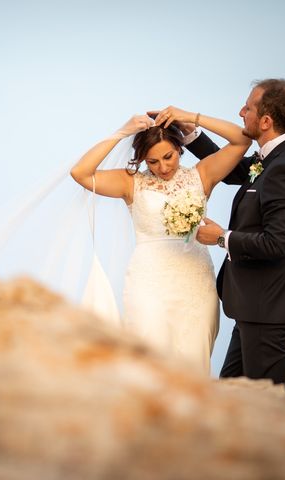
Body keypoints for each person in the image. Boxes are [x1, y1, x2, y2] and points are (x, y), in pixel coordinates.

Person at [70, 110, 251, 374]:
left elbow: (242, 140)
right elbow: (80, 172)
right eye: (153, 161)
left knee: (193, 366)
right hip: (148, 285)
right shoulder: (131, 183)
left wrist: (191, 117)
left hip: (195, 285)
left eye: (169, 156)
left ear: (180, 148)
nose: (163, 168)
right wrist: (122, 131)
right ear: (143, 160)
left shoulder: (202, 174)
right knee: (148, 365)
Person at [166, 79, 285, 388]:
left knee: (263, 405)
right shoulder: (274, 156)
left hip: (270, 308)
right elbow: (235, 170)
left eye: (247, 107)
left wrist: (223, 237)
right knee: (233, 395)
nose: (240, 112)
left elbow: (278, 243)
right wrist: (189, 133)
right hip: (256, 306)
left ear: (265, 121)